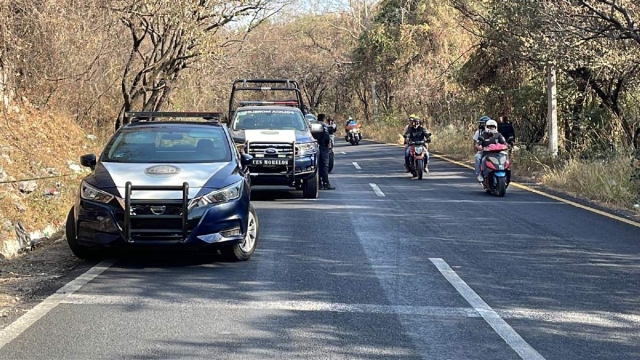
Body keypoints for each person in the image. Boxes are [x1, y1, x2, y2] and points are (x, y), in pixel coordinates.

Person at [316, 114, 335, 190]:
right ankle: (326, 183)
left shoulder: (314, 125)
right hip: (323, 147)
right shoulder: (324, 126)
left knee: (318, 165)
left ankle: (319, 184)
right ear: (324, 119)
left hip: (315, 147)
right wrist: (327, 145)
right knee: (325, 166)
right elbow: (327, 137)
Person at [473, 116, 490, 181]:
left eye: (483, 123)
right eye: (481, 123)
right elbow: (475, 143)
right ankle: (479, 174)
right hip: (482, 151)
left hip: (493, 151)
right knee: (477, 157)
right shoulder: (478, 132)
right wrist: (477, 150)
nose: (482, 125)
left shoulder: (494, 132)